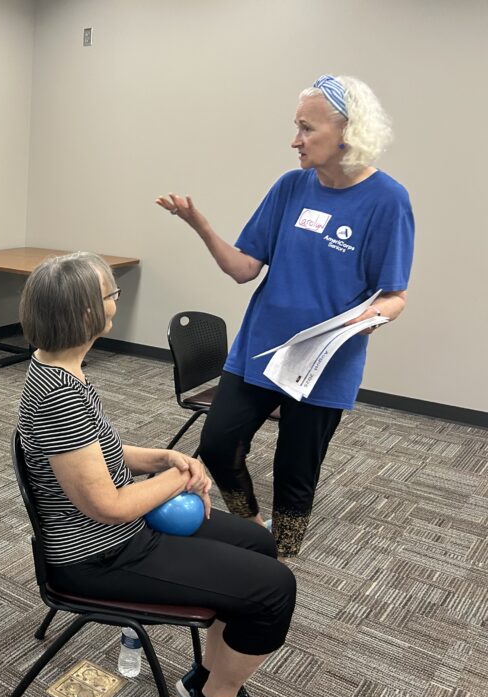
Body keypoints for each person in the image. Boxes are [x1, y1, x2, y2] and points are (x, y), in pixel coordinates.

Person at [18, 252, 296, 697]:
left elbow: (94, 451)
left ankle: (209, 678)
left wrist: (165, 457)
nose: (116, 302)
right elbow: (108, 505)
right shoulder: (59, 395)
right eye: (111, 294)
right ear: (85, 315)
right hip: (98, 558)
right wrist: (174, 480)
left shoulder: (60, 370)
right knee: (274, 589)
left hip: (117, 538)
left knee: (258, 542)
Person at [156, 74, 414, 558]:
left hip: (323, 365)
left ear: (348, 132)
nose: (295, 140)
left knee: (297, 470)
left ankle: (282, 553)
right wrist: (200, 225)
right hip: (259, 350)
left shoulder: (387, 200)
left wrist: (361, 320)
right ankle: (252, 526)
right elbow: (242, 269)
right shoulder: (291, 187)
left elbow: (395, 295)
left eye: (306, 128)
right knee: (217, 444)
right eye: (296, 126)